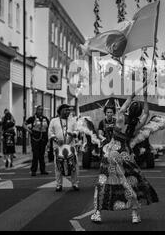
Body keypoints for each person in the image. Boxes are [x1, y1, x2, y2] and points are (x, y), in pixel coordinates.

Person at [91, 82, 159, 224]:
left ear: (129, 110)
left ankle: (97, 213)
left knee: (103, 183)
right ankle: (135, 215)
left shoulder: (120, 117)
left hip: (110, 154)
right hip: (125, 155)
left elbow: (128, 98)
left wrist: (139, 90)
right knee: (131, 183)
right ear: (138, 113)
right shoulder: (136, 126)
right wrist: (146, 98)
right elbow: (146, 113)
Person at [48, 104, 79, 192]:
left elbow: (77, 130)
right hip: (58, 147)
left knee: (74, 165)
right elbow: (50, 132)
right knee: (58, 166)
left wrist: (73, 134)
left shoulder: (72, 120)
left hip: (71, 146)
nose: (68, 112)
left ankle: (75, 183)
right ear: (60, 111)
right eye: (66, 110)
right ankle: (59, 185)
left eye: (68, 110)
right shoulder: (54, 121)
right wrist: (56, 140)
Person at [24, 105, 50, 176]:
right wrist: (29, 130)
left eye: (42, 110)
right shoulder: (32, 118)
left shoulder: (45, 118)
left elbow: (49, 127)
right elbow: (24, 124)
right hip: (35, 139)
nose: (40, 111)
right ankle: (33, 170)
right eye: (39, 110)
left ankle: (43, 170)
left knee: (42, 155)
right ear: (36, 110)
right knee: (35, 155)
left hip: (43, 139)